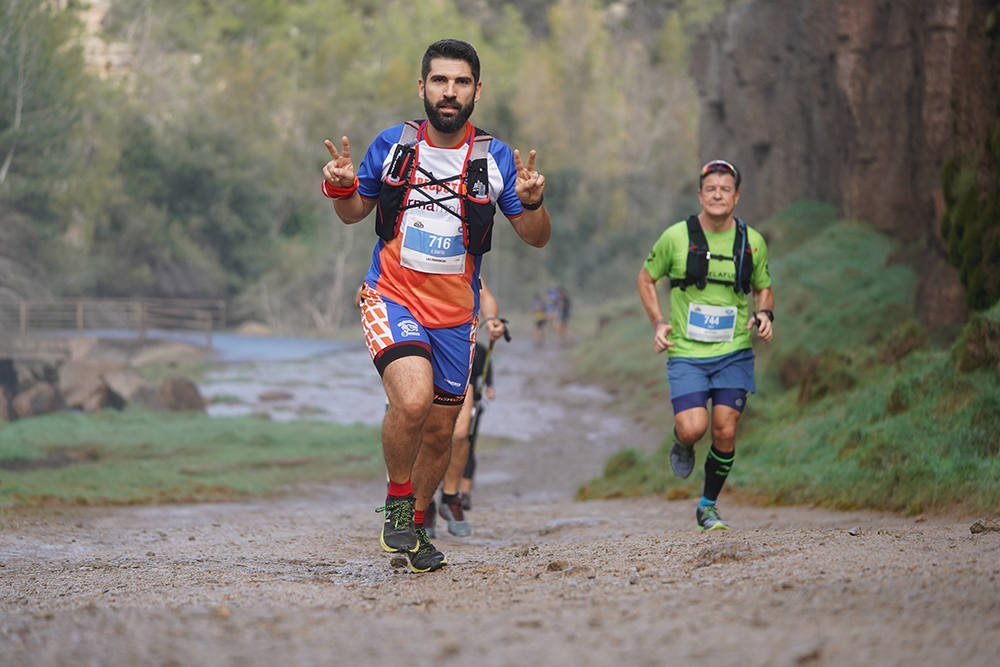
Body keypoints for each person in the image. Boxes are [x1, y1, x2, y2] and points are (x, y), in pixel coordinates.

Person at [321, 39, 550, 573]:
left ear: (476, 91)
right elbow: (356, 212)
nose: (450, 92)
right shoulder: (394, 144)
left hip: (455, 316)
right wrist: (341, 187)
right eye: (440, 81)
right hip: (391, 293)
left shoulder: (494, 158)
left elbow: (535, 237)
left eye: (461, 82)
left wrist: (534, 201)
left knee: (442, 431)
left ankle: (416, 525)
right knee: (412, 401)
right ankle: (398, 504)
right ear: (421, 86)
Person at [637, 159, 774, 531]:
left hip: (734, 352)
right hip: (687, 355)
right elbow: (646, 279)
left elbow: (763, 287)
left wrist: (765, 315)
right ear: (700, 195)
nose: (717, 195)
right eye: (710, 188)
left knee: (725, 429)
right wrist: (659, 322)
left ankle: (708, 505)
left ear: (736, 196)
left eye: (725, 189)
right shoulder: (676, 237)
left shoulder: (751, 241)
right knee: (694, 428)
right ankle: (682, 442)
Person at [426, 282, 504, 538]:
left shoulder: (461, 255)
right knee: (422, 432)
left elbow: (484, 293)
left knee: (460, 435)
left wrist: (492, 320)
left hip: (458, 351)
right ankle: (422, 503)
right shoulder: (407, 247)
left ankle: (451, 496)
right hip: (418, 346)